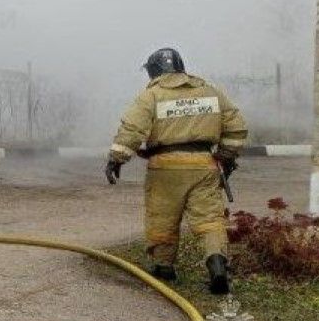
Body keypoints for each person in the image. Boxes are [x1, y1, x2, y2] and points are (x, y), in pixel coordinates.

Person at [105, 48, 248, 294]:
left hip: (165, 168)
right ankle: (217, 265)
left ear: (154, 71)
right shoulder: (210, 91)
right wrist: (225, 157)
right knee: (210, 220)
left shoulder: (152, 95)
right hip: (203, 165)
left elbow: (132, 129)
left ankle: (164, 268)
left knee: (163, 217)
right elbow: (236, 127)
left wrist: (116, 159)